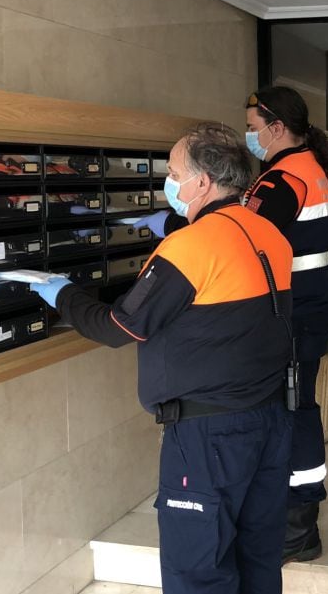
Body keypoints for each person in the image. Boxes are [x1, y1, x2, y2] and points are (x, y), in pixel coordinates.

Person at [29, 123, 294, 594]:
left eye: (172, 173)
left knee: (198, 572)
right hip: (267, 421)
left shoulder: (190, 247)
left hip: (208, 436)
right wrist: (171, 225)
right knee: (257, 560)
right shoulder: (266, 232)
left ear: (203, 182)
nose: (167, 183)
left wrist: (63, 294)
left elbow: (119, 327)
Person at [243, 86, 328, 563]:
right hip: (316, 303)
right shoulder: (319, 169)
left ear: (276, 127)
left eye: (252, 127)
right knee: (298, 403)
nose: (250, 136)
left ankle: (298, 527)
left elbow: (242, 237)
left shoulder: (282, 180)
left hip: (294, 311)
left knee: (294, 408)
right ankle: (296, 520)